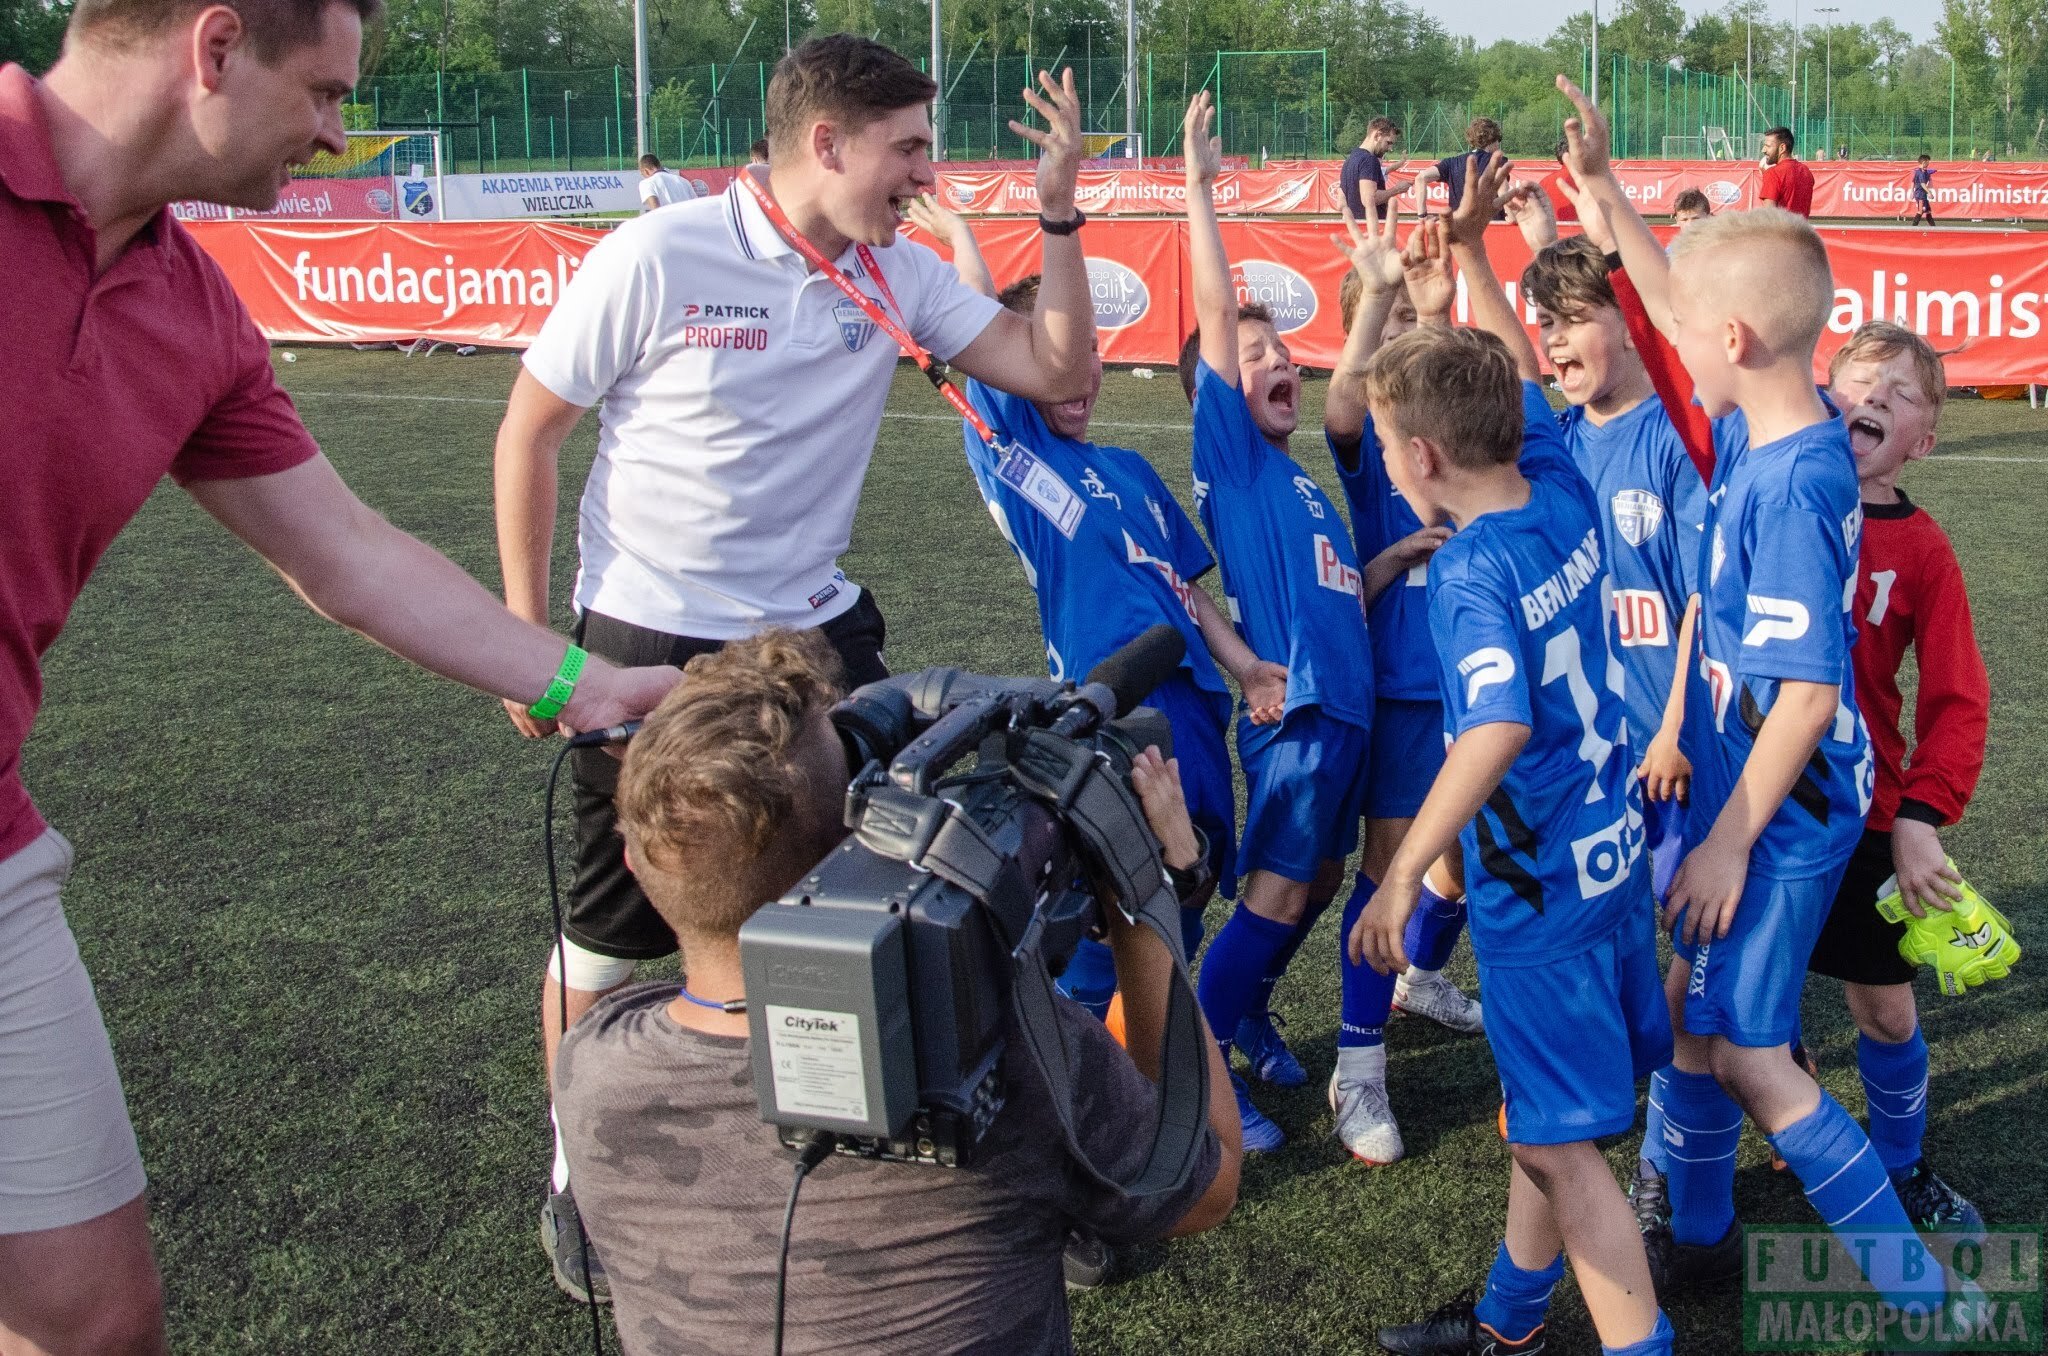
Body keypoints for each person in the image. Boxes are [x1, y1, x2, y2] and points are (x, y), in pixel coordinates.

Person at [0, 2, 682, 1351]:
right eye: (322, 92)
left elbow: (346, 552)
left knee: (94, 1323)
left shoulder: (196, 309)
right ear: (214, 48)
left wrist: (586, 686)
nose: (334, 134)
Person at [494, 35, 1098, 1302]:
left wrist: (1056, 215)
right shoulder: (659, 255)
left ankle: (845, 1138)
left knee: (852, 912)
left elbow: (1058, 373)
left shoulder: (897, 271)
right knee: (610, 936)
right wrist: (526, 635)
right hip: (650, 643)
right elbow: (530, 430)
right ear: (826, 142)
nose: (925, 175)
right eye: (907, 148)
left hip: (816, 646)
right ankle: (575, 1174)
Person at [553, 628, 1241, 1355]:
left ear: (634, 862)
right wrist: (1142, 898)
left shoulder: (591, 1067)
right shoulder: (1014, 1066)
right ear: (859, 851)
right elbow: (1206, 1181)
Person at [1559, 75, 1954, 1313]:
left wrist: (1726, 841)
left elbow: (1802, 701)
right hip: (1751, 792)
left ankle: (1914, 1291)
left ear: (1730, 344)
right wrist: (1604, 198)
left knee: (1747, 1055)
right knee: (1693, 1023)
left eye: (1686, 335)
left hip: (1781, 818)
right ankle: (1702, 1236)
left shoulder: (1787, 486)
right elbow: (1684, 308)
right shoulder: (1770, 429)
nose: (1670, 348)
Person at [1354, 183, 1675, 1356]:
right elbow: (1514, 391)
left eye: (1386, 448)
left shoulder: (1471, 568)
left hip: (1539, 898)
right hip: (1609, 862)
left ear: (1418, 456)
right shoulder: (1557, 479)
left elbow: (1489, 728)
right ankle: (1508, 1323)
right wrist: (1459, 284)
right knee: (1541, 1122)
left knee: (1553, 1146)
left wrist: (1403, 874)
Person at [902, 192, 1277, 999]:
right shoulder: (1015, 448)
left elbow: (1186, 591)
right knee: (1121, 911)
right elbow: (980, 323)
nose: (1082, 373)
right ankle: (1094, 1054)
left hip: (1197, 711)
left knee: (1190, 897)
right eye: (1059, 356)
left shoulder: (1131, 471)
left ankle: (1174, 1046)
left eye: (1093, 352)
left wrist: (1246, 669)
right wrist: (963, 236)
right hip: (1115, 712)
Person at [1178, 90, 1376, 1154]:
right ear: (1215, 389)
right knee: (1279, 887)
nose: (1278, 363)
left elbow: (1340, 594)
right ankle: (1197, 1067)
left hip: (1346, 713)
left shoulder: (1301, 483)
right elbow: (1218, 316)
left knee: (1322, 879)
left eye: (1284, 351)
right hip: (1294, 715)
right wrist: (1201, 191)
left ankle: (1247, 1010)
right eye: (1254, 357)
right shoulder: (1235, 458)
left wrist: (1390, 561)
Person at [1797, 321, 1991, 1233]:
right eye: (1860, 379)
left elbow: (1959, 697)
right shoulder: (1773, 498)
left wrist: (1920, 815)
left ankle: (1902, 1166)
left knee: (1883, 1008)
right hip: (1751, 805)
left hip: (1862, 811)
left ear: (1925, 440)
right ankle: (1740, 1154)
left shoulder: (1923, 550)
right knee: (1736, 1007)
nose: (1874, 395)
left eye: (1901, 393)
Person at [1318, 197, 1490, 1167]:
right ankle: (1358, 1066)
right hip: (1408, 680)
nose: (1394, 353)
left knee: (1459, 860)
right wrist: (1380, 308)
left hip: (1482, 671)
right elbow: (1346, 412)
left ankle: (1419, 976)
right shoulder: (1372, 450)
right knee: (1389, 865)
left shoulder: (1449, 435)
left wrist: (1430, 309)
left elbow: (1450, 380)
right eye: (1376, 335)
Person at [1412, 117, 1503, 219]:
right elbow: (1504, 192)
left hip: (1459, 225)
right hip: (1491, 225)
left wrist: (1422, 216)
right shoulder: (1497, 162)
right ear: (1492, 140)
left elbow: (1421, 178)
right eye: (1498, 140)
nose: (1498, 145)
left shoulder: (1451, 163)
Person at [1340, 115, 1405, 219]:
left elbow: (1340, 203)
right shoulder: (1369, 160)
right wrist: (1397, 189)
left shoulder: (1349, 160)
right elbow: (1369, 199)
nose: (1390, 148)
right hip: (1370, 225)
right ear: (1378, 135)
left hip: (1354, 225)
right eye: (1388, 142)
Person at [1756, 125, 1815, 217]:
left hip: (1781, 226)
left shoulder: (1773, 173)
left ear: (1782, 148)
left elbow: (1769, 214)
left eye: (1768, 146)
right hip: (1802, 225)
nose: (1763, 150)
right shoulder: (1806, 171)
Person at [1910, 153, 1935, 226]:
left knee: (1928, 211)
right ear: (1924, 162)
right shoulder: (1920, 173)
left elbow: (1913, 182)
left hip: (1922, 194)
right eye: (1928, 162)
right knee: (1921, 211)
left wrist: (1912, 192)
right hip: (1920, 194)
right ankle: (1913, 227)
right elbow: (1922, 184)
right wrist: (1929, 192)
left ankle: (1934, 228)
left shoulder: (1921, 172)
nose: (1928, 164)